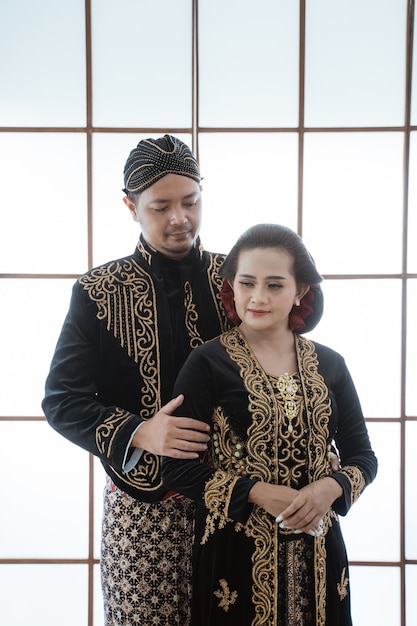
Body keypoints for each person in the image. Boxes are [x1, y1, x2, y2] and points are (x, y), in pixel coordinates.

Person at [42, 135, 232, 626]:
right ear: (130, 206)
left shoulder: (238, 280)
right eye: (160, 206)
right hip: (141, 510)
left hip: (234, 502)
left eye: (191, 202)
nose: (179, 219)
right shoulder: (97, 291)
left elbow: (286, 367)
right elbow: (62, 401)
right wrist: (139, 431)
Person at [162, 223, 378, 626]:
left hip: (322, 558)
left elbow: (364, 457)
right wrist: (258, 493)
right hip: (234, 557)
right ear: (232, 287)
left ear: (300, 291)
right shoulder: (207, 363)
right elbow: (176, 468)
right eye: (247, 283)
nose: (257, 298)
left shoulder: (331, 365)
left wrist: (329, 489)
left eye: (275, 285)